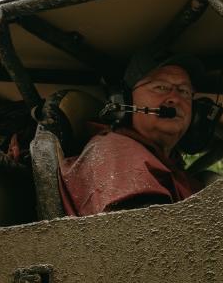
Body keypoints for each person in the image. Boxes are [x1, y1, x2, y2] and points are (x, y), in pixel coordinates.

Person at [56, 50, 205, 216]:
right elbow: (145, 235)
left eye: (184, 91)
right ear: (125, 100)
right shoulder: (116, 153)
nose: (175, 99)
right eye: (161, 87)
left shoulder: (173, 168)